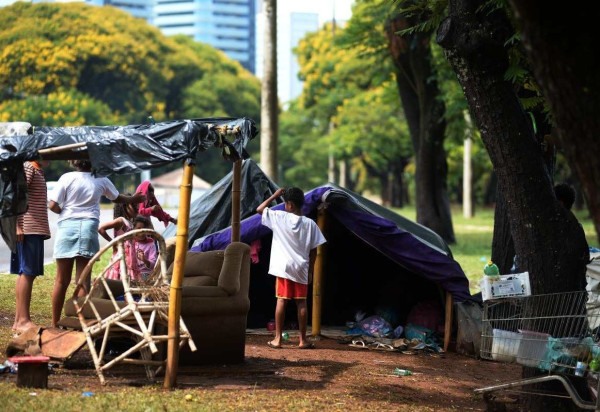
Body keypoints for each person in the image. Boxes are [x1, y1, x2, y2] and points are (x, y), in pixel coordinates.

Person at [48, 160, 145, 327]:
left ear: (73, 161)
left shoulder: (66, 177)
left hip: (67, 227)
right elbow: (118, 198)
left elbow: (52, 205)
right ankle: (79, 322)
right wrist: (134, 198)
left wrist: (64, 212)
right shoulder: (101, 179)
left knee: (60, 281)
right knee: (82, 280)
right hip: (88, 227)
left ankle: (55, 323)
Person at [256, 187, 326, 349]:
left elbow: (260, 209)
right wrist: (310, 271)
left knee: (281, 300)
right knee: (301, 303)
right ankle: (303, 340)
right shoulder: (310, 224)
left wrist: (275, 195)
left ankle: (278, 339)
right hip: (301, 267)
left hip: (283, 267)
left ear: (289, 205)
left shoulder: (279, 217)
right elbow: (314, 250)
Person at [10, 160, 51, 334]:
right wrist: (17, 225)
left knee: (26, 273)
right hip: (28, 227)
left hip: (33, 228)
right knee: (27, 272)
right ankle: (23, 320)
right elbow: (16, 194)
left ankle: (18, 320)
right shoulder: (29, 167)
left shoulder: (37, 170)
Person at [98, 196, 140, 280]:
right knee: (120, 278)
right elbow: (101, 228)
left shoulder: (130, 223)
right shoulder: (121, 220)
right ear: (125, 206)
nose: (137, 208)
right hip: (121, 256)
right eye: (133, 205)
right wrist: (113, 242)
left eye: (137, 205)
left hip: (130, 258)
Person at [132, 215, 158, 281]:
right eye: (138, 228)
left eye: (143, 229)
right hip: (131, 273)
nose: (142, 232)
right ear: (133, 229)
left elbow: (153, 263)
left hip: (145, 274)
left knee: (141, 278)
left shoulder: (150, 244)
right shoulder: (129, 242)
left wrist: (145, 260)